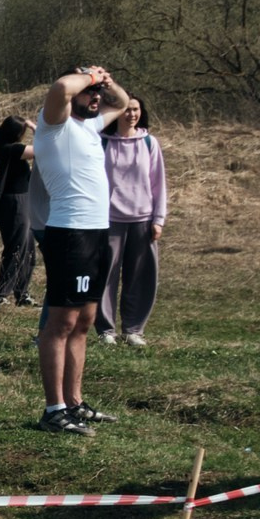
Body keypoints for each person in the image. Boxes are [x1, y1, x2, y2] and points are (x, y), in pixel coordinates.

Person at [31, 64, 128, 435]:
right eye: (89, 92)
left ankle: (74, 402)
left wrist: (104, 81)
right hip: (68, 234)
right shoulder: (53, 124)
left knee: (85, 322)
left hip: (97, 233)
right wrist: (88, 77)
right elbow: (59, 86)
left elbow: (123, 102)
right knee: (62, 322)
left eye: (96, 93)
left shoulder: (90, 126)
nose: (96, 98)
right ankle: (53, 409)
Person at [97, 95, 168, 346]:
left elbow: (158, 183)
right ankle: (106, 330)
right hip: (109, 221)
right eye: (126, 110)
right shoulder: (102, 142)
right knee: (105, 276)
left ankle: (133, 329)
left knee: (140, 276)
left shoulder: (150, 142)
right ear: (117, 113)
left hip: (143, 220)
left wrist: (158, 219)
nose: (131, 115)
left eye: (136, 110)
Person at [0, 115, 38, 306]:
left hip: (18, 201)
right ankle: (3, 294)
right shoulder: (13, 149)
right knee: (17, 247)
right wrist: (36, 129)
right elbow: (43, 149)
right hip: (15, 202)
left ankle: (21, 292)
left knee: (27, 248)